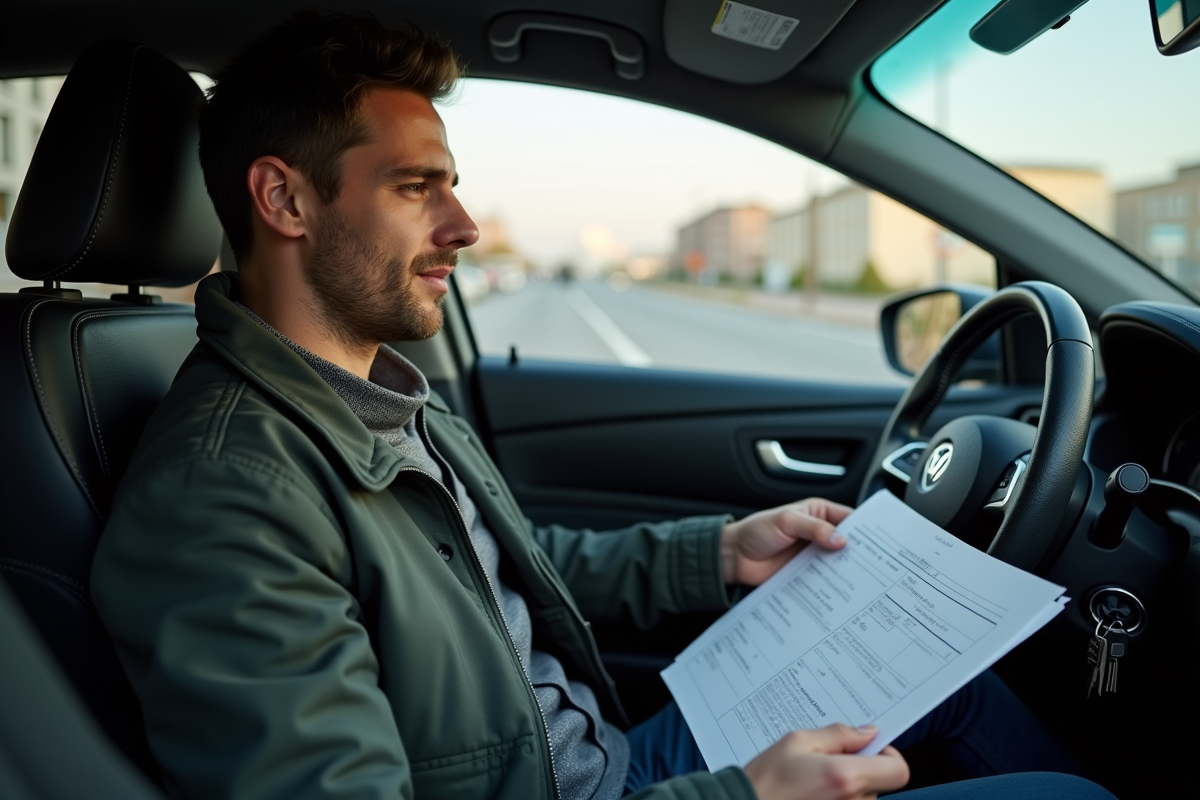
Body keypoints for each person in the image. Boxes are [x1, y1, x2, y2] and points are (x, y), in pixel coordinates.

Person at [90, 12, 1114, 800]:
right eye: (417, 187)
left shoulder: (374, 393)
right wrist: (744, 793)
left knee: (954, 686)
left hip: (597, 758)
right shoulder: (225, 495)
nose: (466, 223)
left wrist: (714, 551)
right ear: (286, 200)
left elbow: (491, 585)